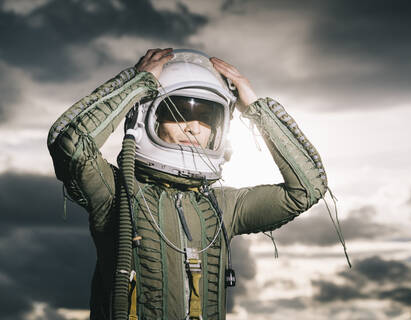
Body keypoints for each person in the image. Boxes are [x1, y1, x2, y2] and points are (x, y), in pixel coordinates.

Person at [47, 48, 332, 320]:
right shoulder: (115, 193)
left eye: (206, 117)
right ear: (148, 117)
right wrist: (134, 84)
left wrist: (256, 108)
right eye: (178, 112)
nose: (193, 127)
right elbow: (70, 146)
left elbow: (307, 189)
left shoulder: (224, 207)